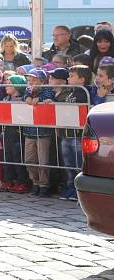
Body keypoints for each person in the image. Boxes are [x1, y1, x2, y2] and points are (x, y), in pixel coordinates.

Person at [55, 66, 91, 201]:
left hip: (78, 135)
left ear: (82, 79)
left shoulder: (85, 93)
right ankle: (70, 188)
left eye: (72, 76)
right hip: (66, 133)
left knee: (78, 165)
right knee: (68, 164)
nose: (68, 78)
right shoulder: (68, 92)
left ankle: (79, 191)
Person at [22, 69, 56, 198]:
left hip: (43, 131)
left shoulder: (47, 89)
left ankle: (44, 185)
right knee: (29, 160)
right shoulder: (27, 90)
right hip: (29, 131)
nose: (31, 82)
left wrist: (39, 99)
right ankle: (34, 182)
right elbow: (26, 98)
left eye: (34, 80)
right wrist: (28, 97)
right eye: (30, 80)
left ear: (42, 81)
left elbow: (48, 98)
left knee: (43, 161)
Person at [0, 75, 29, 193]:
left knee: (18, 157)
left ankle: (21, 181)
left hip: (17, 131)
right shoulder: (5, 99)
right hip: (7, 131)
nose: (6, 85)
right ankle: (8, 180)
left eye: (9, 83)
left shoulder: (22, 100)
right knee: (7, 156)